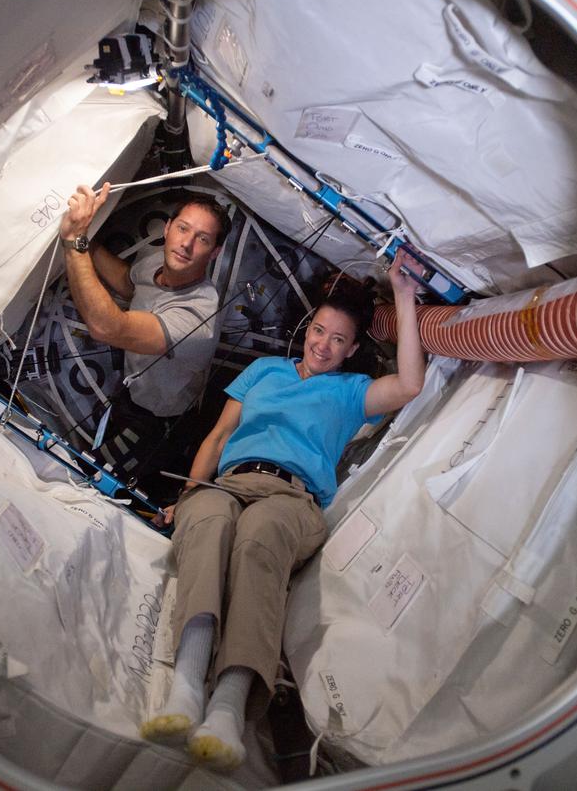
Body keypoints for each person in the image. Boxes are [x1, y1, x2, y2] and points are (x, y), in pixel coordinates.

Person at [140, 251, 426, 771]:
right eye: (319, 331)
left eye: (339, 340)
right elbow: (219, 435)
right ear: (307, 328)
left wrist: (403, 296)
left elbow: (409, 385)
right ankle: (185, 684)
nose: (324, 345)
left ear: (352, 350)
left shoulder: (349, 392)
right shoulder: (265, 370)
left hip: (292, 499)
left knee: (258, 536)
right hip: (229, 481)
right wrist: (186, 498)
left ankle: (228, 705)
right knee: (209, 523)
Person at [60, 184, 230, 493]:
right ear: (167, 228)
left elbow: (110, 328)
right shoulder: (156, 260)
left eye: (202, 239)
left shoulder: (198, 317)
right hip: (130, 396)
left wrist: (76, 240)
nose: (186, 244)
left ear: (215, 252)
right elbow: (131, 283)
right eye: (182, 229)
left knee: (91, 483)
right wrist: (90, 236)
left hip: (159, 423)